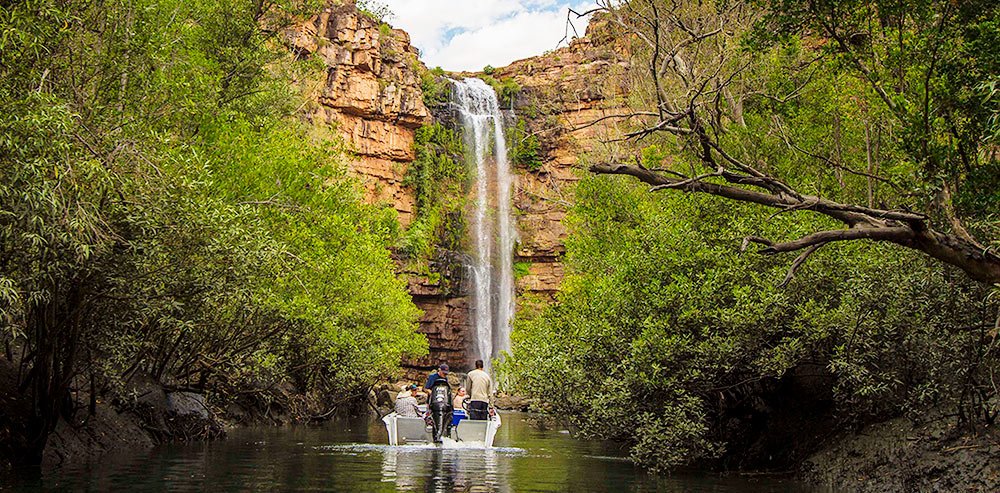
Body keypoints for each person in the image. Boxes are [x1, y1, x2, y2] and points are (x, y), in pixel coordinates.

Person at [424, 363, 453, 442]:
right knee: (433, 420)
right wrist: (433, 393)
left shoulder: (446, 379)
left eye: (446, 373)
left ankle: (444, 434)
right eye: (443, 373)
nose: (444, 375)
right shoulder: (432, 377)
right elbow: (426, 388)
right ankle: (434, 436)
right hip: (433, 402)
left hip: (444, 403)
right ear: (439, 370)